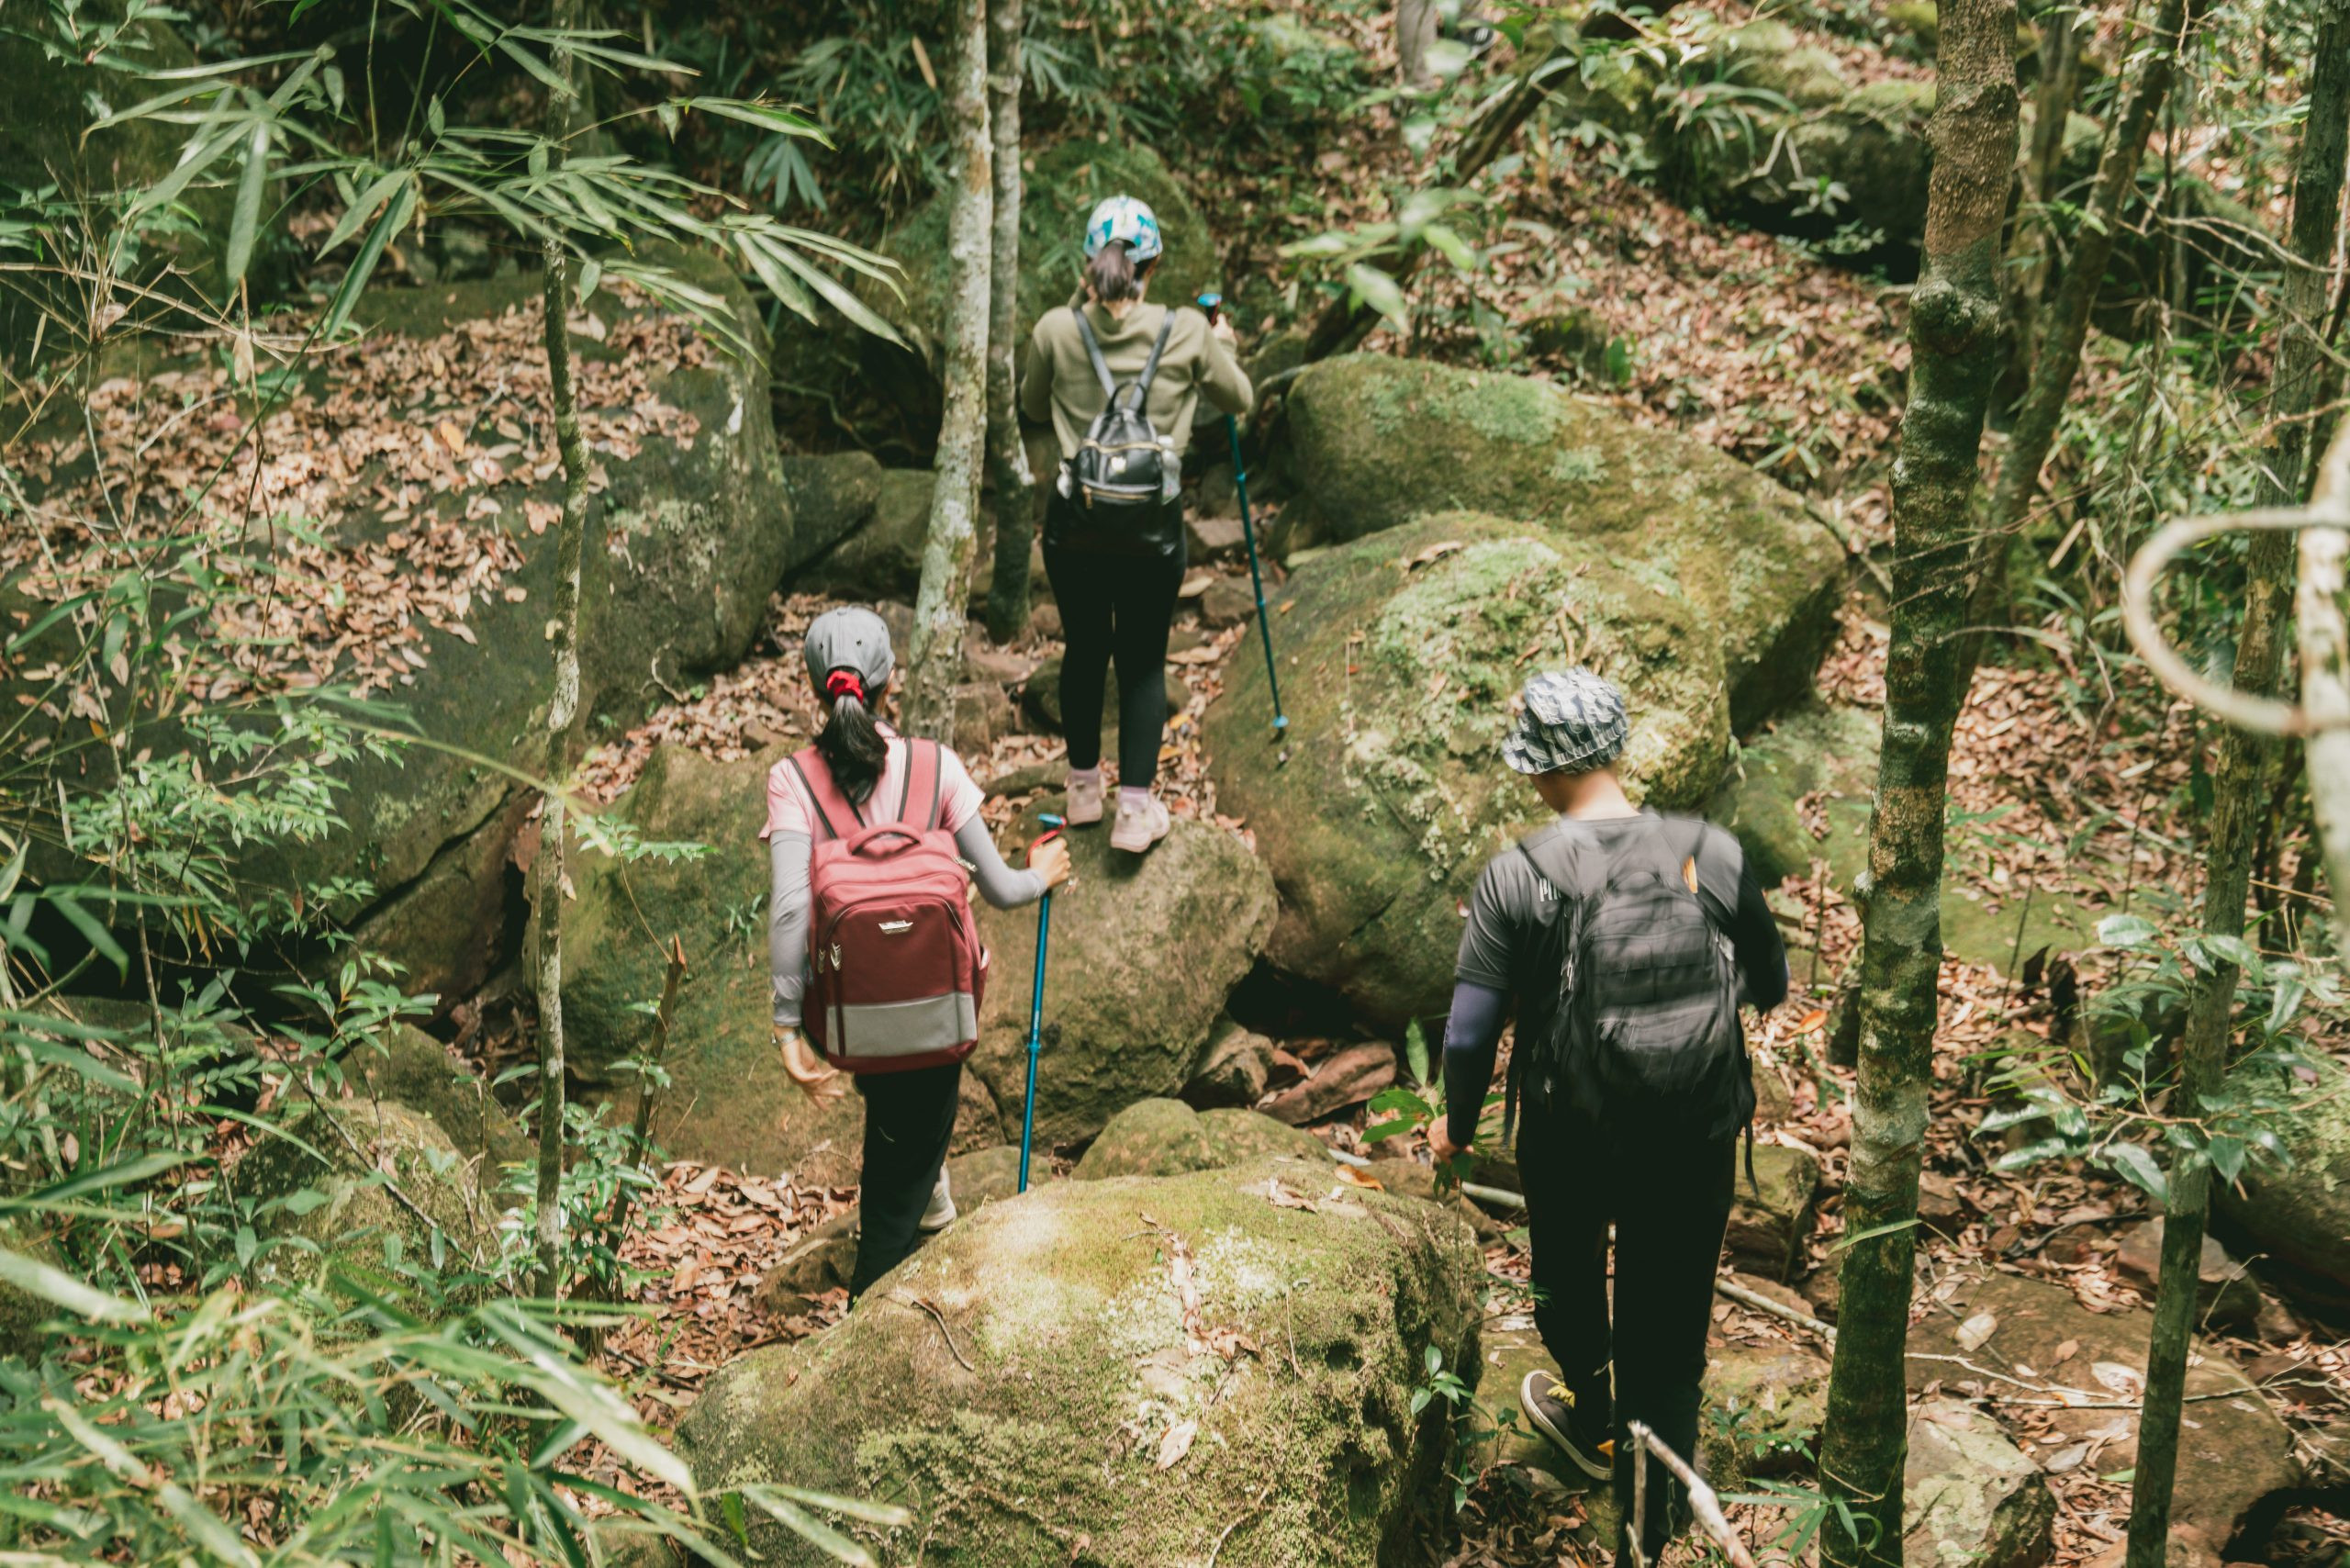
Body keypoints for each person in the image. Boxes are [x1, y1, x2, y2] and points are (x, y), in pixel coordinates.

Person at [1427, 668, 1788, 1561]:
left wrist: (1455, 1126)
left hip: (1571, 1135)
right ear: (1618, 750)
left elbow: (1470, 1033)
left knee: (1565, 1280)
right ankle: (1650, 1535)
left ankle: (1588, 1417)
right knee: (1667, 1349)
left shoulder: (1518, 877)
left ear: (1539, 773)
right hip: (1693, 1136)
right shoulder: (1713, 848)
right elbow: (1770, 983)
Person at [765, 607, 1070, 1299]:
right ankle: (872, 1316)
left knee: (896, 1106)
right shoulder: (936, 765)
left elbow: (791, 909)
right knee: (889, 1206)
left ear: (815, 687)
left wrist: (787, 1025)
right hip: (933, 1013)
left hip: (845, 1017)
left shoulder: (793, 780)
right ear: (888, 680)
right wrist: (1038, 877)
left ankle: (928, 1196)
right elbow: (997, 885)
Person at [1019, 194, 1253, 854]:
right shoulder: (1186, 329)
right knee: (1145, 661)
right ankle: (1135, 813)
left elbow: (1032, 405)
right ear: (1154, 262)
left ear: (1089, 262)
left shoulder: (1055, 330)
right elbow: (1240, 398)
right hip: (1152, 527)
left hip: (1077, 524)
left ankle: (1083, 791)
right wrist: (1221, 346)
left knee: (1086, 647)